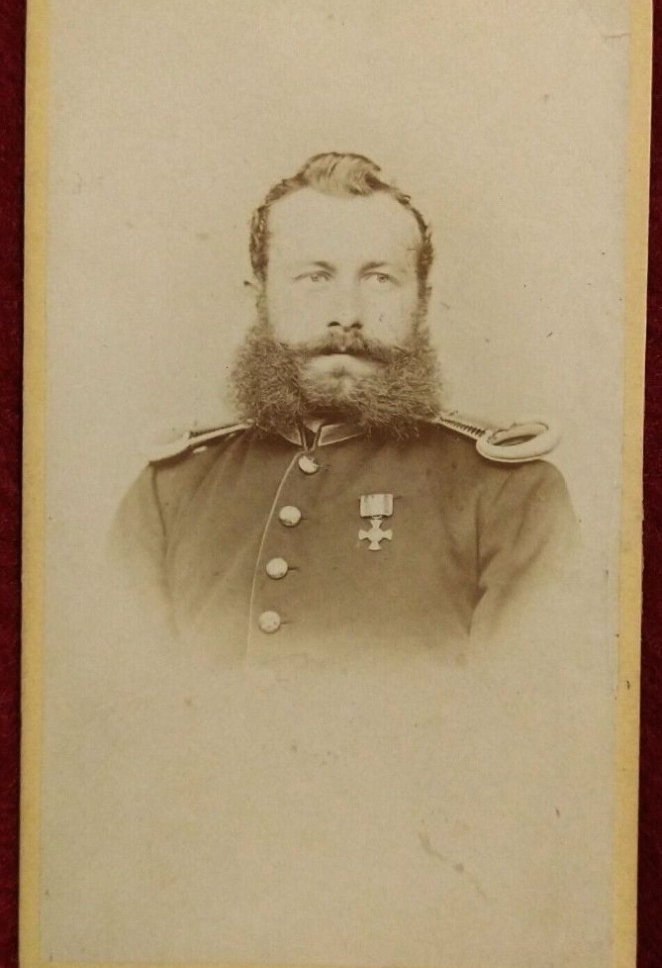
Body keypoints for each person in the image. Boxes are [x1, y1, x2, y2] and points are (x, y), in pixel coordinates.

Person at [112, 152, 578, 671]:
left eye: (380, 279)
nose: (347, 315)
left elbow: (519, 714)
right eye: (315, 277)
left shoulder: (511, 495)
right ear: (260, 299)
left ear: (422, 303)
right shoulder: (168, 493)